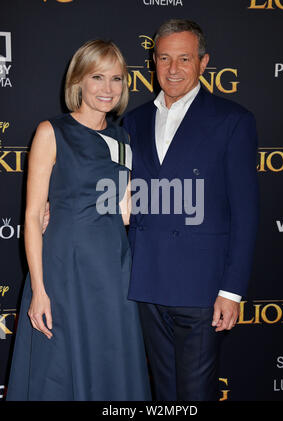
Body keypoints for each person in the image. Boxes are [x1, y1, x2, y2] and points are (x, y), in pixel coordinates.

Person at [6, 39, 151, 401]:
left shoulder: (123, 138)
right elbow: (33, 214)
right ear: (78, 82)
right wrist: (39, 291)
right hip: (65, 270)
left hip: (114, 269)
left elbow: (125, 209)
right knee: (60, 367)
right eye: (97, 77)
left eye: (116, 79)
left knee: (111, 361)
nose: (107, 89)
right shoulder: (51, 132)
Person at [123, 19, 259, 401]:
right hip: (147, 284)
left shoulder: (233, 120)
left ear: (203, 62)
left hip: (203, 288)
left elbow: (245, 213)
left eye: (184, 58)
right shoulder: (133, 121)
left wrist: (231, 291)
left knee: (195, 394)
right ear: (152, 61)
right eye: (164, 58)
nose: (172, 69)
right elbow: (121, 194)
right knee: (164, 393)